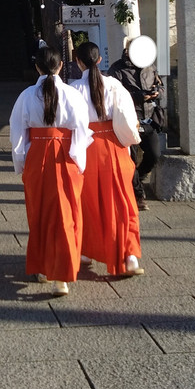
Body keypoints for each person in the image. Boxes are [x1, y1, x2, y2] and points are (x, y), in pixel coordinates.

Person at [9, 46, 93, 297]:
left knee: (40, 213)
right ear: (60, 66)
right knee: (67, 213)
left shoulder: (26, 95)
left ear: (37, 67)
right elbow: (81, 129)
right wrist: (79, 161)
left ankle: (45, 268)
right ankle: (63, 274)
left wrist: (21, 162)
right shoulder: (72, 94)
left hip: (38, 156)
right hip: (66, 154)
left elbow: (17, 134)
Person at [70, 41, 144, 276]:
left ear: (77, 61)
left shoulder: (72, 89)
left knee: (88, 202)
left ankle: (86, 249)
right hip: (113, 147)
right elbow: (127, 120)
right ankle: (129, 254)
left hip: (86, 148)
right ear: (100, 60)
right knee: (123, 203)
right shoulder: (114, 85)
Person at [107, 39, 164, 210]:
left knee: (154, 154)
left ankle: (137, 178)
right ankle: (138, 195)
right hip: (129, 119)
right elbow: (113, 96)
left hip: (149, 119)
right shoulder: (117, 69)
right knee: (130, 159)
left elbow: (160, 86)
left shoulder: (150, 67)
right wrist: (139, 96)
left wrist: (156, 93)